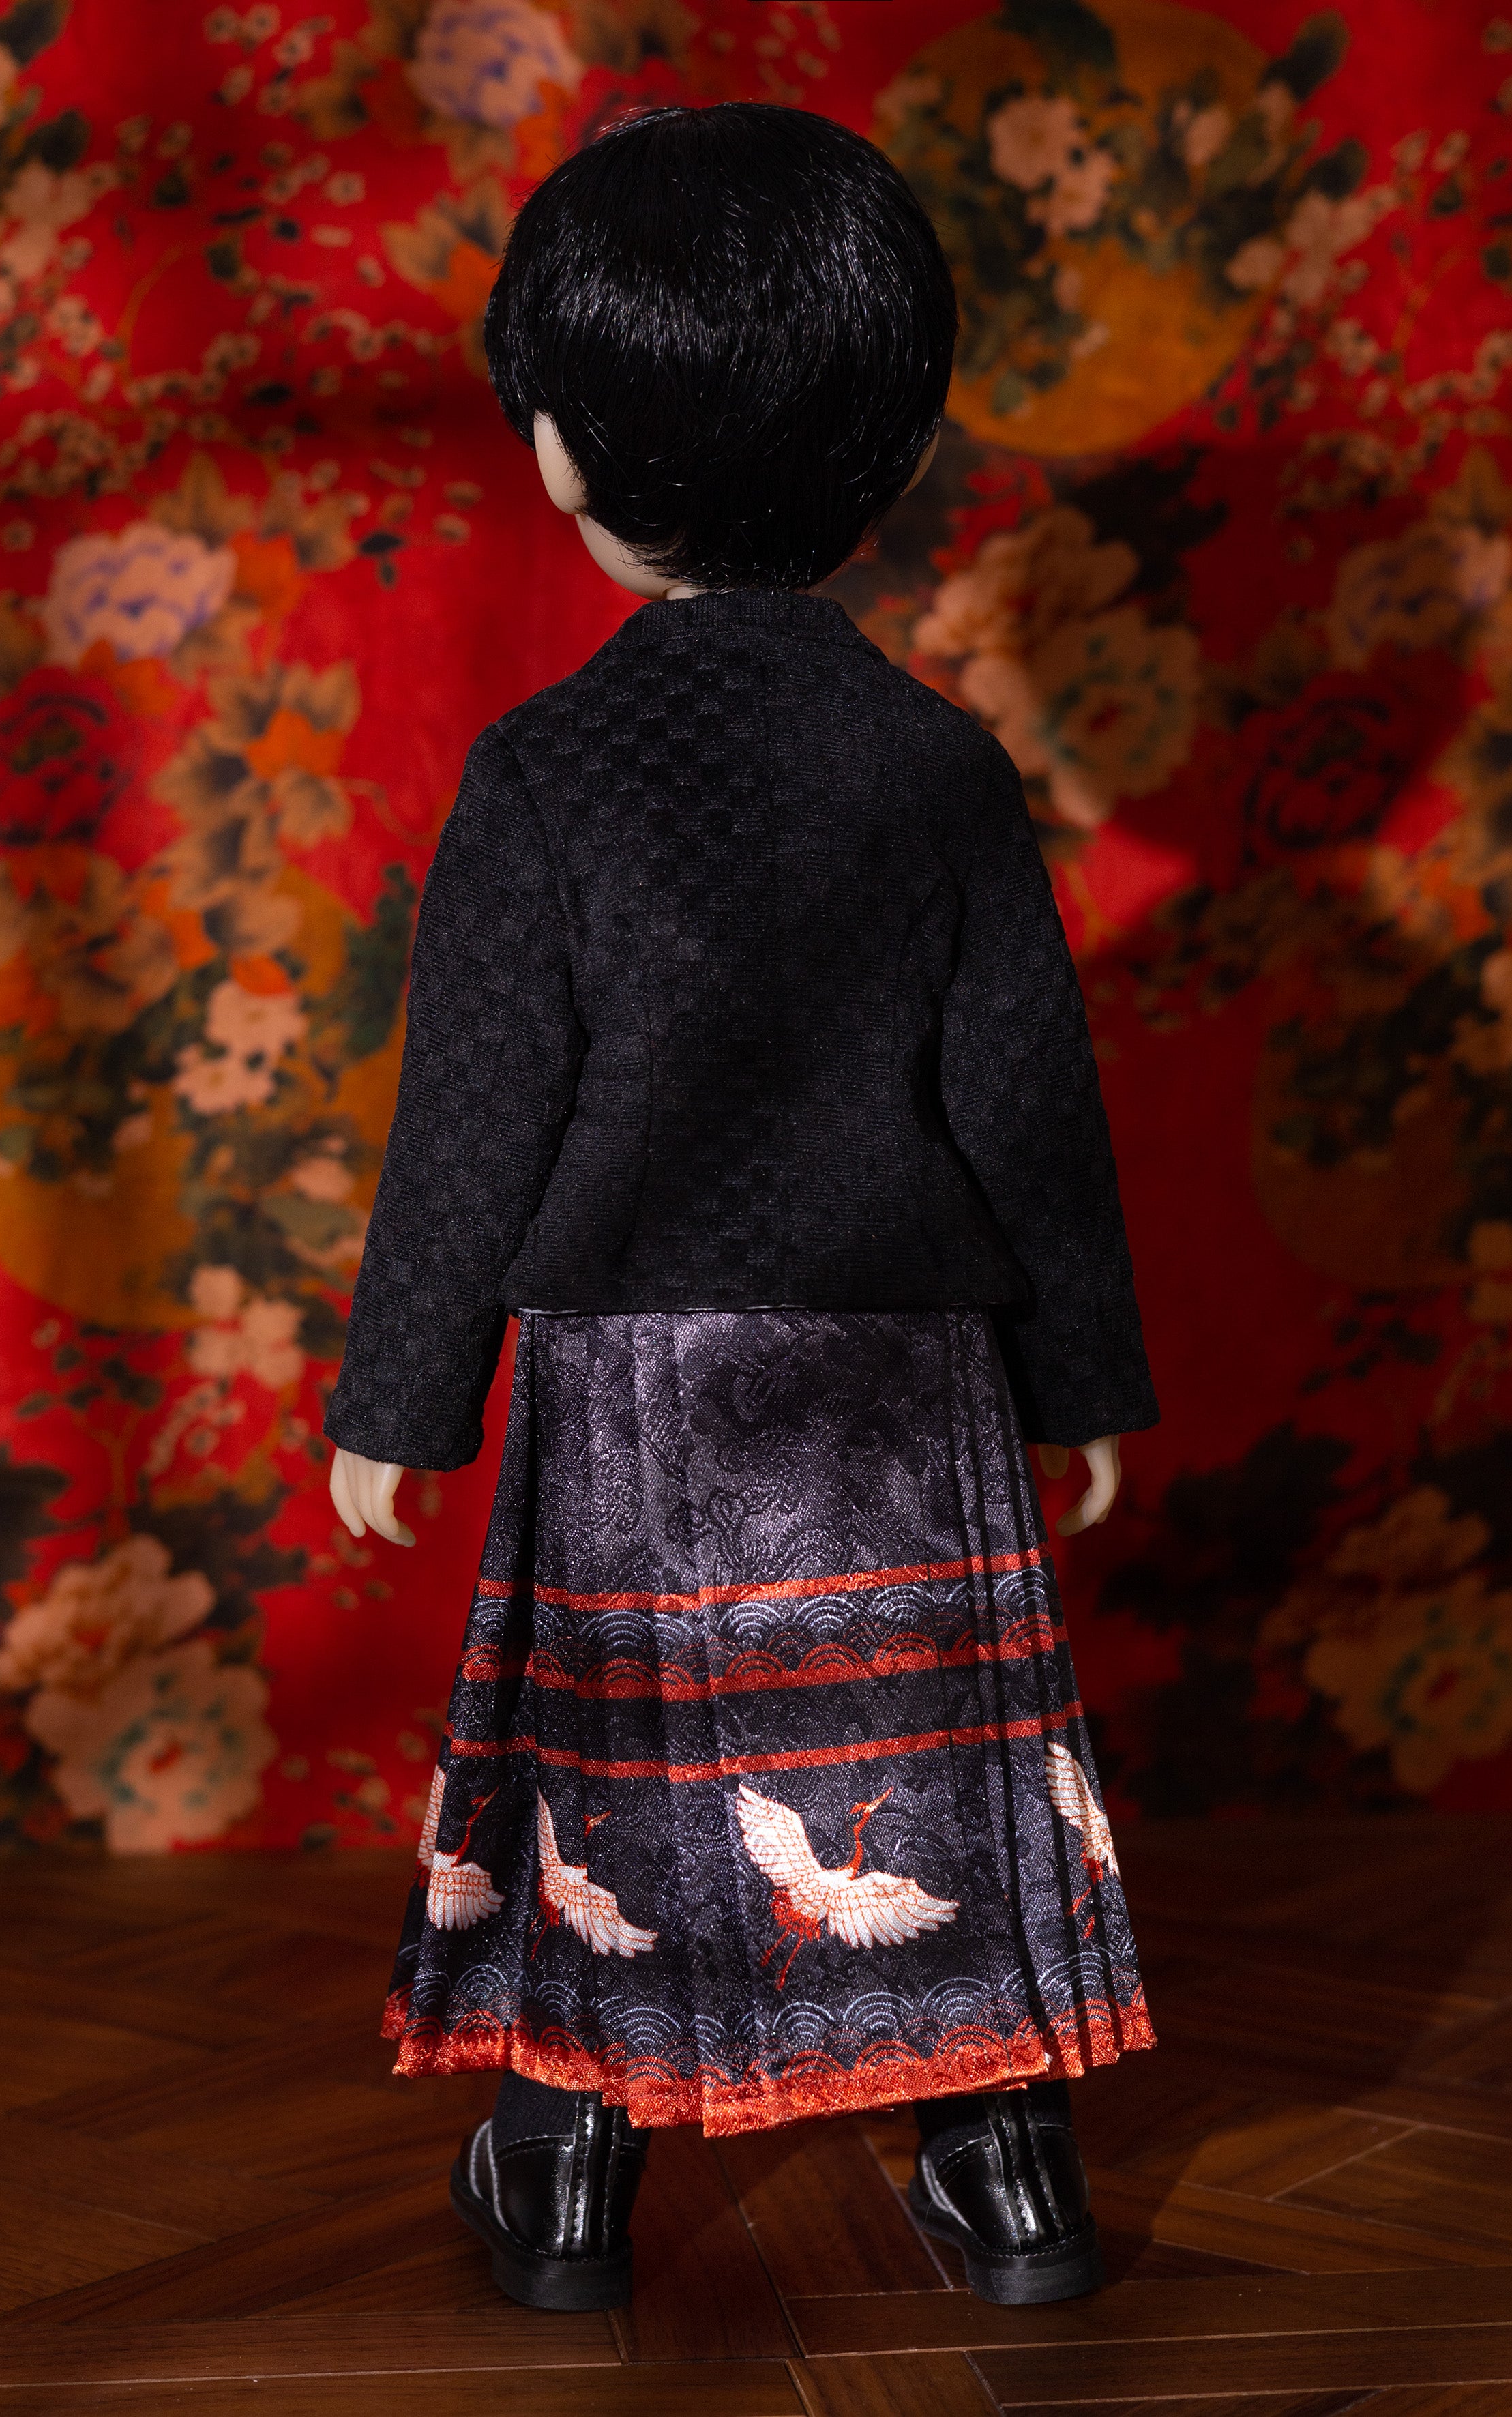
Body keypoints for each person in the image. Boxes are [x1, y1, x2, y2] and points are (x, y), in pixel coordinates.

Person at [324, 100, 1159, 2316]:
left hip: (638, 1385)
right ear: (886, 456)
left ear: (561, 458)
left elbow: (474, 1118)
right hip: (905, 1366)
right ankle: (1004, 2176)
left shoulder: (544, 773)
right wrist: (1077, 1374)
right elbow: (1022, 1106)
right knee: (930, 1767)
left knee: (617, 1784)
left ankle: (564, 2178)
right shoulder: (940, 767)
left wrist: (402, 1397)